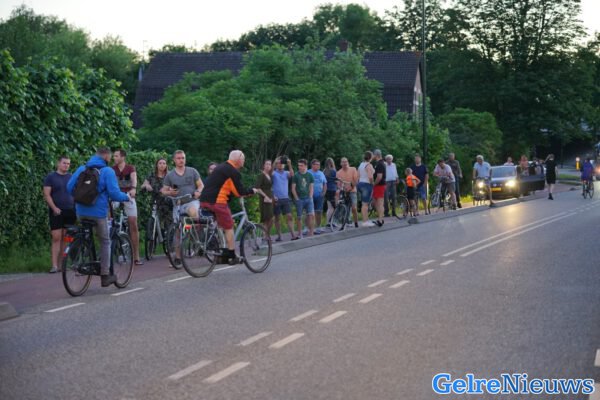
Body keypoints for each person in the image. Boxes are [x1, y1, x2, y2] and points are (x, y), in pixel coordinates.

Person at [67, 147, 130, 287]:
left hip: (80, 212)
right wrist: (126, 197)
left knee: (87, 233)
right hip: (98, 213)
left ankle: (85, 251)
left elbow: (69, 187)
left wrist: (81, 199)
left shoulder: (82, 169)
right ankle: (105, 275)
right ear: (106, 157)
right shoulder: (108, 171)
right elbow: (114, 194)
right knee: (105, 241)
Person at [200, 150, 267, 264]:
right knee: (229, 226)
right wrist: (252, 191)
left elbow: (225, 187)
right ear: (238, 159)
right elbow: (239, 192)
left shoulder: (220, 168)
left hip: (204, 201)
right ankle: (232, 255)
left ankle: (220, 253)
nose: (244, 161)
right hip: (217, 202)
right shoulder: (232, 171)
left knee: (220, 225)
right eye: (243, 158)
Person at [43, 156, 76, 273]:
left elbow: (76, 192)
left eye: (68, 164)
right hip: (56, 211)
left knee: (66, 238)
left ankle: (63, 265)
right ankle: (54, 265)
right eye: (64, 163)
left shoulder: (71, 177)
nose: (66, 165)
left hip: (70, 210)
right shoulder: (50, 177)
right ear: (58, 163)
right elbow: (47, 194)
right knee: (56, 237)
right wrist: (54, 208)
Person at [112, 149, 143, 265]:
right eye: (114, 156)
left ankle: (136, 256)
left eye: (116, 156)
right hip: (116, 195)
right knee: (107, 216)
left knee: (133, 223)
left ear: (123, 157)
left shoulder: (130, 168)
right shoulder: (112, 169)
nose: (114, 158)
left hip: (128, 195)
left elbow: (134, 179)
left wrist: (133, 189)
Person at [161, 150, 204, 219]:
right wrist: (170, 192)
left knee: (192, 210)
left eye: (183, 158)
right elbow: (163, 191)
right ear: (174, 160)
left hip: (192, 201)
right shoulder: (169, 175)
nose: (181, 160)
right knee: (176, 224)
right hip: (178, 204)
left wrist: (198, 191)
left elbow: (201, 185)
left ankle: (197, 225)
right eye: (178, 158)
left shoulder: (192, 171)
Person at [272, 156, 298, 241]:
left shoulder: (286, 173)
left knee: (289, 216)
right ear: (276, 165)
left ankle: (293, 235)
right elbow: (269, 172)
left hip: (285, 198)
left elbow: (292, 175)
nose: (280, 165)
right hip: (277, 199)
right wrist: (275, 162)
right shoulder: (274, 173)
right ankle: (279, 236)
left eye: (282, 163)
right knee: (277, 218)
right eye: (279, 163)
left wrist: (289, 164)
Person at [141, 158, 171, 227]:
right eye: (160, 163)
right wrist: (147, 185)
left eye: (164, 163)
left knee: (168, 222)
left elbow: (175, 187)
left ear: (166, 165)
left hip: (167, 201)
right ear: (157, 165)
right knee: (152, 220)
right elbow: (143, 185)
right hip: (154, 200)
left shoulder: (169, 175)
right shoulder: (151, 174)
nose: (162, 165)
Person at [292, 159, 315, 237]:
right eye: (299, 165)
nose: (299, 167)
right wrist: (297, 198)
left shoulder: (310, 175)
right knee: (299, 217)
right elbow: (293, 188)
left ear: (305, 166)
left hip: (308, 198)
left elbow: (311, 187)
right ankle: (300, 233)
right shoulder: (296, 175)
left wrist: (310, 197)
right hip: (300, 199)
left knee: (310, 215)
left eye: (301, 165)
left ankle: (311, 232)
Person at [337, 157, 359, 227]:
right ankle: (345, 221)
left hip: (352, 191)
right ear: (341, 163)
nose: (345, 163)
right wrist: (341, 188)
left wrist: (351, 187)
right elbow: (338, 184)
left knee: (354, 208)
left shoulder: (353, 169)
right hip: (344, 191)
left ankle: (356, 222)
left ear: (348, 162)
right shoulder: (338, 172)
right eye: (343, 162)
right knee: (345, 207)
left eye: (346, 161)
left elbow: (356, 180)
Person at [255, 160, 274, 236]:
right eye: (267, 164)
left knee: (270, 218)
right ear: (264, 165)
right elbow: (257, 188)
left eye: (269, 164)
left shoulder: (269, 175)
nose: (268, 166)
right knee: (266, 218)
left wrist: (273, 196)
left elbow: (270, 187)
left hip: (270, 197)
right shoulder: (261, 175)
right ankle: (265, 235)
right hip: (264, 198)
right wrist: (265, 196)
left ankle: (266, 234)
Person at [308, 159, 327, 234]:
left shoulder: (321, 173)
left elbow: (325, 183)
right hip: (310, 195)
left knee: (319, 211)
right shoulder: (308, 172)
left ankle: (318, 227)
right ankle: (307, 227)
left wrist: (324, 192)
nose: (318, 166)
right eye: (317, 164)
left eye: (319, 164)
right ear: (312, 165)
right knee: (309, 212)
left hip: (319, 195)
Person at [357, 151, 375, 227]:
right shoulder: (369, 165)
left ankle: (366, 219)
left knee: (364, 204)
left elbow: (358, 175)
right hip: (366, 185)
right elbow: (370, 177)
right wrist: (372, 183)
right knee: (365, 204)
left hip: (360, 184)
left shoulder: (361, 164)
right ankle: (365, 221)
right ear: (371, 157)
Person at [372, 149, 387, 226]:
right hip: (379, 185)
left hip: (379, 185)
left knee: (379, 203)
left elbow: (379, 177)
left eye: (373, 155)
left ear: (376, 155)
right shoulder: (380, 163)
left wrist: (374, 184)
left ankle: (380, 220)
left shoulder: (380, 164)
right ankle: (380, 218)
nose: (372, 156)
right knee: (375, 202)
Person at [323, 158, 338, 225]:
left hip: (326, 190)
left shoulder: (324, 171)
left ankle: (328, 222)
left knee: (329, 207)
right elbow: (336, 180)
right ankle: (331, 222)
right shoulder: (333, 171)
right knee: (334, 207)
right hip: (332, 189)